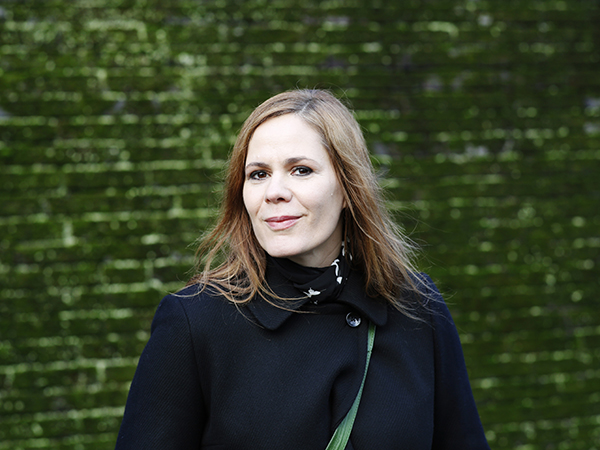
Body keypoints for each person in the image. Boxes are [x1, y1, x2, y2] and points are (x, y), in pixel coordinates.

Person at [115, 89, 490, 449]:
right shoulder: (195, 323)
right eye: (258, 174)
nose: (274, 191)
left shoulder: (416, 306)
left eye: (301, 170)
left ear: (348, 189)